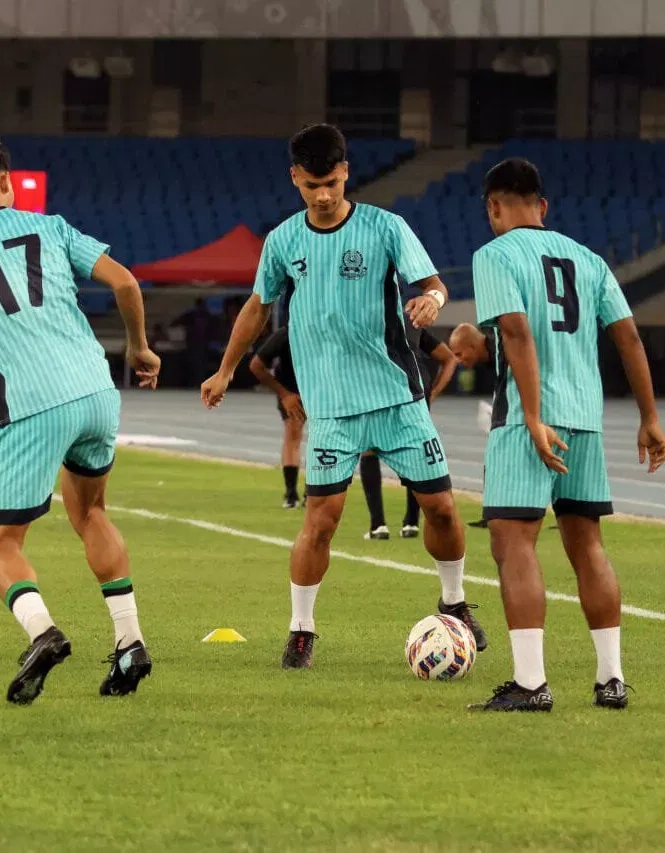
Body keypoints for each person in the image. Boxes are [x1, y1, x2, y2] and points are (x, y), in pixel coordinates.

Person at [201, 123, 485, 668]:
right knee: (321, 520)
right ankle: (301, 630)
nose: (324, 194)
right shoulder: (283, 241)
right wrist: (225, 368)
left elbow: (432, 285)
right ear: (295, 180)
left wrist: (432, 300)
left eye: (331, 181)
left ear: (346, 172)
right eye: (312, 185)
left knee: (443, 510)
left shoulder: (385, 227)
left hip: (398, 400)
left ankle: (455, 603)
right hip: (330, 410)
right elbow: (258, 308)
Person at [0, 136, 162, 705]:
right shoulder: (53, 227)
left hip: (30, 402)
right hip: (94, 389)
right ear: (7, 180)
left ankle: (43, 633)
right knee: (90, 512)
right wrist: (137, 347)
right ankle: (130, 641)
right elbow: (126, 283)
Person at [467, 157, 665, 713]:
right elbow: (628, 337)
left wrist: (531, 415)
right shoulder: (589, 259)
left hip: (527, 421)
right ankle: (611, 680)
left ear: (493, 208)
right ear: (544, 206)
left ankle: (531, 684)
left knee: (514, 542)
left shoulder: (494, 255)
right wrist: (649, 417)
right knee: (588, 545)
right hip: (586, 418)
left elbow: (516, 332)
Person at [358, 320, 457, 539]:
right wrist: (433, 392)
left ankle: (378, 525)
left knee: (369, 449)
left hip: (380, 392)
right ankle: (411, 522)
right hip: (415, 395)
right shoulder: (409, 321)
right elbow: (449, 358)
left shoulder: (364, 319)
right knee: (414, 455)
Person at [248, 325, 305, 508]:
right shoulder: (288, 333)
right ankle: (296, 493)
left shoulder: (289, 332)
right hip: (295, 390)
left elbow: (256, 365)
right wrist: (284, 394)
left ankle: (297, 494)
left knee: (296, 438)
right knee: (296, 436)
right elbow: (256, 365)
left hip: (309, 390)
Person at [449, 322, 498, 529]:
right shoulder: (490, 355)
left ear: (472, 345)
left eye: (459, 354)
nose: (458, 361)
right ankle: (491, 514)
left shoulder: (505, 348)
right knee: (494, 457)